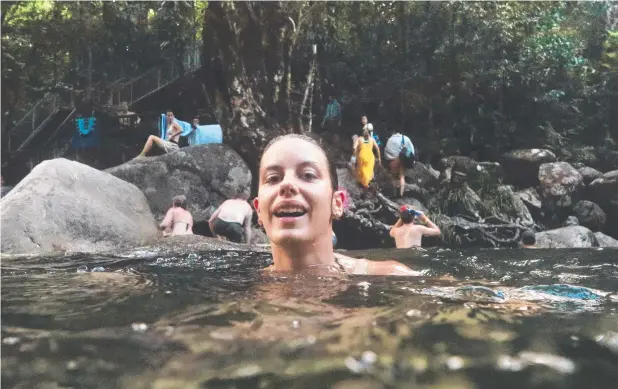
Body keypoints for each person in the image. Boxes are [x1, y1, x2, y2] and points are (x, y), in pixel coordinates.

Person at [253, 133, 421, 275]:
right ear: (258, 209)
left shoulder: (390, 277)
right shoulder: (241, 288)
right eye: (273, 178)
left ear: (337, 204)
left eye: (308, 175)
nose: (286, 185)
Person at [384, 131, 415, 198]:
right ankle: (401, 194)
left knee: (393, 176)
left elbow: (386, 151)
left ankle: (394, 193)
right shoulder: (406, 138)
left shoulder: (390, 139)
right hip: (401, 160)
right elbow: (411, 150)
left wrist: (389, 159)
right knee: (402, 176)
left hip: (392, 160)